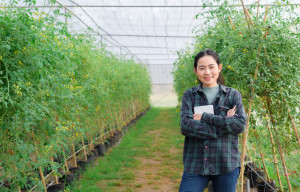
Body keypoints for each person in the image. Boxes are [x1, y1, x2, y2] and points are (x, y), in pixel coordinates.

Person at [179, 49, 247, 192]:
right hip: (195, 164)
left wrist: (205, 117)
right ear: (195, 71)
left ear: (219, 68)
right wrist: (224, 125)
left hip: (226, 163)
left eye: (211, 67)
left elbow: (240, 125)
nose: (207, 72)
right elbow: (185, 126)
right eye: (202, 68)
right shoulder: (189, 96)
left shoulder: (232, 95)